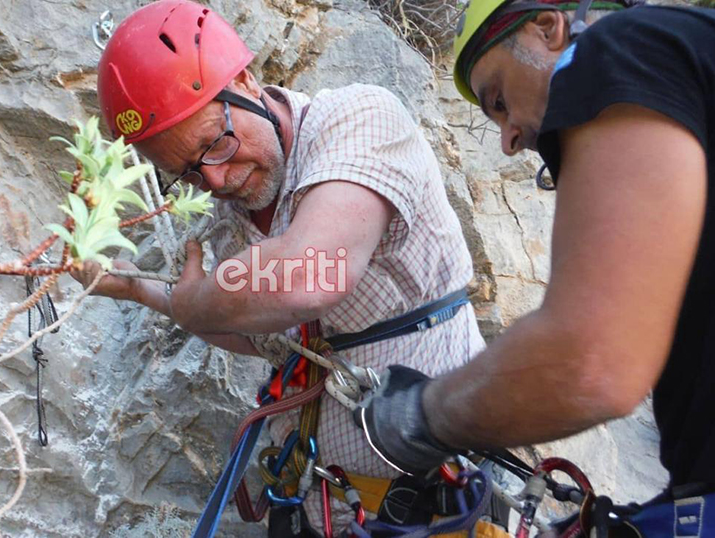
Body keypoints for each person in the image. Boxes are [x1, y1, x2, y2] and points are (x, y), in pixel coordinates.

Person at [73, 0, 485, 533]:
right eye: (188, 174)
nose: (217, 181)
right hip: (319, 505)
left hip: (430, 506)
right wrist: (136, 289)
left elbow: (313, 273)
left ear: (244, 80)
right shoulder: (229, 220)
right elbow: (264, 335)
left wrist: (203, 301)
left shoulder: (359, 119)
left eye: (215, 145)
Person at [360, 0, 715, 532]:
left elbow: (591, 363)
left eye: (499, 100)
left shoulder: (618, 46)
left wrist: (418, 416)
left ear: (548, 28)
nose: (508, 140)